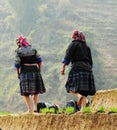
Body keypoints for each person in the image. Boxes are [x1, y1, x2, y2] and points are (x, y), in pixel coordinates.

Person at [61, 30, 96, 111]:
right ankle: (83, 109)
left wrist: (63, 68)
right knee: (85, 90)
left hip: (77, 67)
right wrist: (89, 70)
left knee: (69, 86)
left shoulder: (73, 44)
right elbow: (91, 60)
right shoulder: (87, 47)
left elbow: (67, 57)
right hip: (88, 69)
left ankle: (78, 96)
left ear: (74, 36)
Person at [14, 34, 46, 113]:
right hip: (35, 70)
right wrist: (39, 70)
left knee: (25, 92)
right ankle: (35, 107)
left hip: (25, 71)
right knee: (36, 90)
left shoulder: (19, 51)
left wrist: (18, 73)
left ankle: (30, 109)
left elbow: (17, 64)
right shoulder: (33, 49)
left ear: (19, 43)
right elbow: (40, 61)